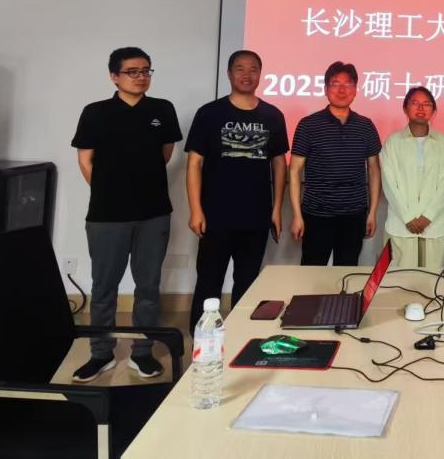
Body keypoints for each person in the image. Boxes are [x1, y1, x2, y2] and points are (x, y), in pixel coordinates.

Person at [70, 47, 181, 382]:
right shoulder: (95, 112)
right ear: (114, 76)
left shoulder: (162, 109)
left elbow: (164, 154)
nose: (141, 77)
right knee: (104, 288)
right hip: (107, 215)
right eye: (133, 71)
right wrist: (110, 191)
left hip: (154, 213)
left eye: (146, 70)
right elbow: (85, 160)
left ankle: (142, 354)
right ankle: (100, 354)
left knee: (148, 287)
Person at [185, 50, 288, 331]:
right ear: (229, 73)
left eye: (253, 69)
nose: (247, 74)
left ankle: (241, 336)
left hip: (256, 215)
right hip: (215, 214)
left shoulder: (272, 115)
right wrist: (195, 209)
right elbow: (194, 163)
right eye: (240, 68)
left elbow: (279, 163)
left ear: (260, 74)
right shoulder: (210, 113)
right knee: (209, 281)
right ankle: (202, 339)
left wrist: (276, 209)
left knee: (248, 281)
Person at [289, 61, 382, 266]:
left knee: (346, 273)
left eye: (348, 84)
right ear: (325, 89)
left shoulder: (365, 126)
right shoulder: (308, 125)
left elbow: (374, 170)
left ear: (355, 90)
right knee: (312, 271)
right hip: (316, 214)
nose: (342, 90)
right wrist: (297, 215)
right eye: (335, 83)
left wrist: (373, 212)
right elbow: (294, 170)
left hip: (354, 215)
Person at [380, 86, 444, 270]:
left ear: (433, 110)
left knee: (431, 279)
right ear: (405, 108)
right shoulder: (393, 142)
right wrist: (408, 217)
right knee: (399, 278)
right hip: (400, 225)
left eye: (426, 104)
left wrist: (427, 216)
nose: (421, 108)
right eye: (415, 103)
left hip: (434, 225)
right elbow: (389, 184)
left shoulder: (443, 143)